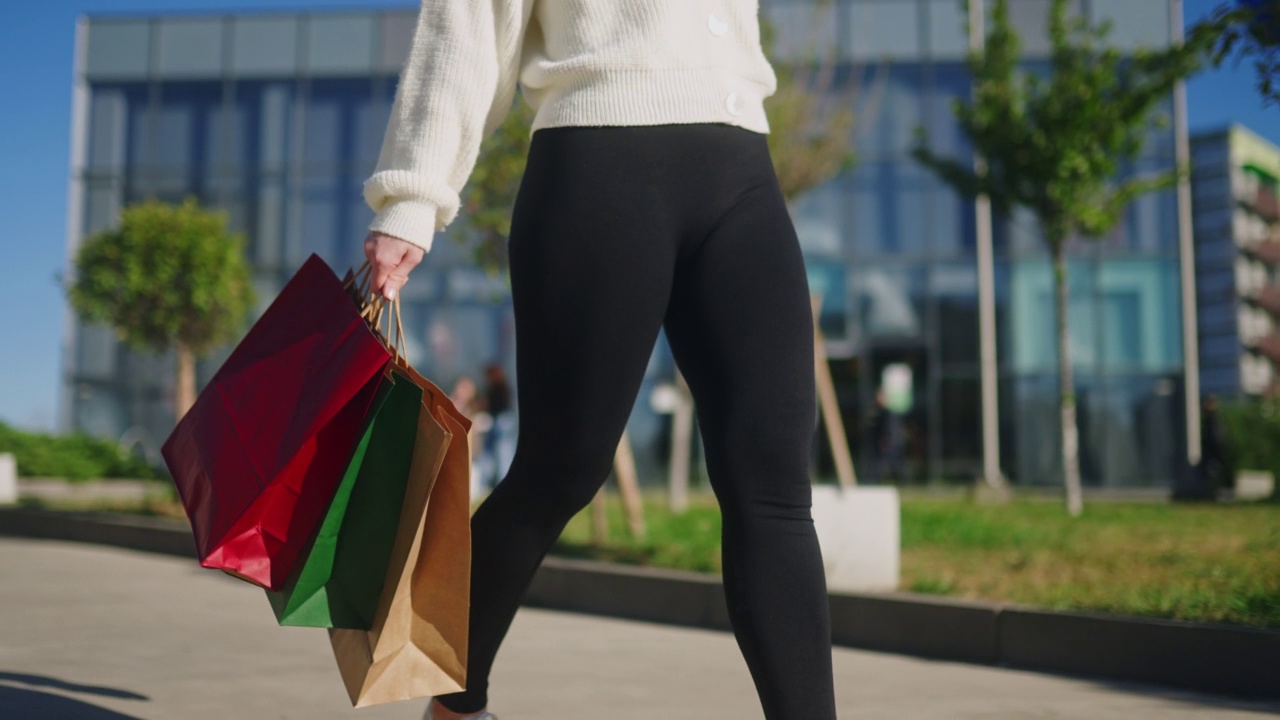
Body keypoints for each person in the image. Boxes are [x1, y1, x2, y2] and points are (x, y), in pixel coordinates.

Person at [362, 1, 837, 718]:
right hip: (600, 168)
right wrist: (411, 198)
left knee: (773, 482)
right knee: (559, 473)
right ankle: (456, 699)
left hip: (744, 169)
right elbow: (469, 25)